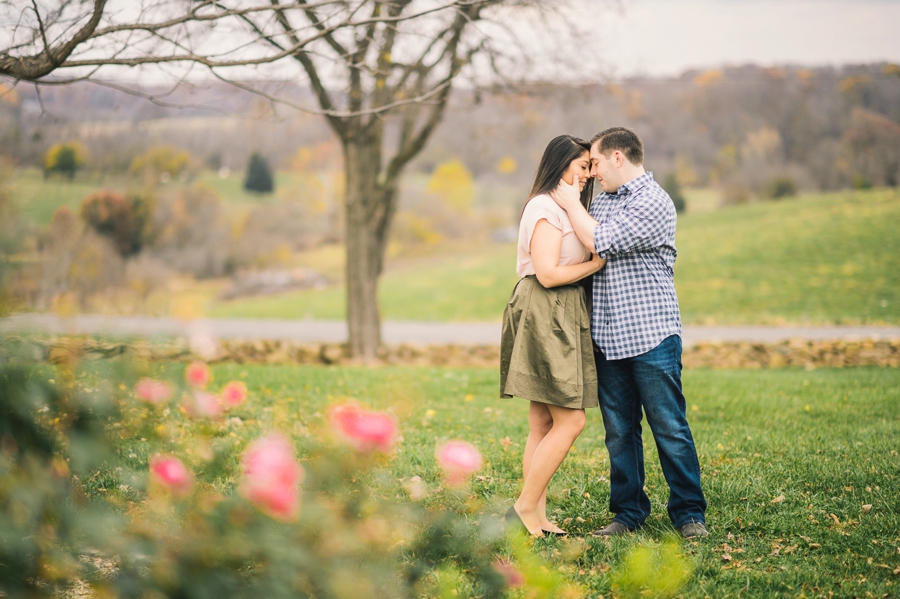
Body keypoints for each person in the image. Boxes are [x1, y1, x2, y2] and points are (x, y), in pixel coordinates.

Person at [550, 127, 708, 539]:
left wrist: (569, 203)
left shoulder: (653, 201)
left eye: (597, 163)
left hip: (651, 334)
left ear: (618, 158)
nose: (593, 172)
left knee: (669, 426)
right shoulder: (603, 202)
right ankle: (628, 512)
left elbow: (601, 241)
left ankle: (689, 513)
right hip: (607, 337)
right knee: (619, 432)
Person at [500, 135, 605, 537]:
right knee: (571, 420)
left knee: (543, 421)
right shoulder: (544, 206)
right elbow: (546, 273)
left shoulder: (565, 207)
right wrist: (594, 266)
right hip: (545, 308)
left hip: (560, 309)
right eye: (581, 167)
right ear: (561, 165)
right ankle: (524, 507)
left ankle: (535, 518)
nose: (586, 176)